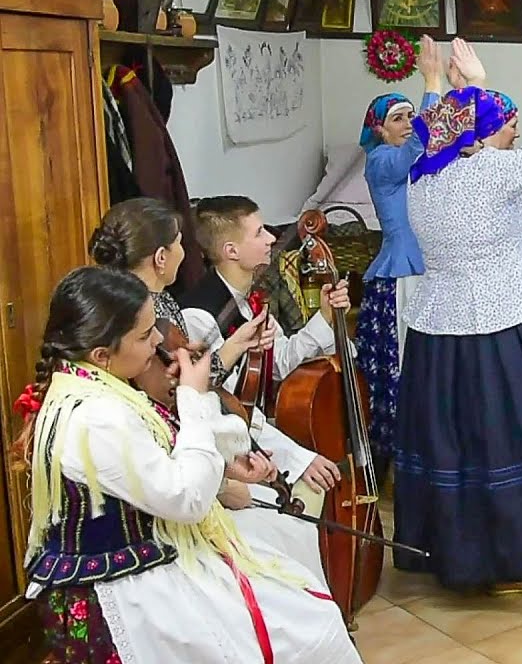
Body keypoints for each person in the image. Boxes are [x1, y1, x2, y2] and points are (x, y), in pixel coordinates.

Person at [14, 266, 360, 663]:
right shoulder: (93, 417)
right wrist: (193, 399)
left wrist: (225, 467)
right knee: (304, 627)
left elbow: (153, 465)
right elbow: (186, 498)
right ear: (102, 355)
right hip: (123, 587)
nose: (159, 340)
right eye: (145, 335)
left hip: (147, 556)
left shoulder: (96, 388)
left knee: (304, 607)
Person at [395, 21, 522, 593]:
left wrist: (437, 83)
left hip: (434, 327)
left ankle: (448, 555)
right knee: (502, 439)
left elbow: (435, 133)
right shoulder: (491, 172)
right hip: (494, 325)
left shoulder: (421, 178)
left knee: (447, 441)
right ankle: (509, 561)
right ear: (477, 134)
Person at [87, 198, 327, 581]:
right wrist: (225, 481)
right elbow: (175, 400)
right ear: (162, 257)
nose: (189, 251)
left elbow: (194, 382)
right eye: (181, 242)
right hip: (180, 482)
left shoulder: (158, 305)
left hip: (203, 452)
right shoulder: (142, 322)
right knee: (288, 529)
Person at [178, 196, 349, 570]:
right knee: (309, 492)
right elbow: (227, 409)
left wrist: (325, 317)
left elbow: (281, 363)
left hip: (255, 434)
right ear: (230, 250)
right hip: (229, 449)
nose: (271, 238)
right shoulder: (200, 316)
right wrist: (297, 457)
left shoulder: (252, 299)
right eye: (259, 232)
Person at [355, 35, 443, 478]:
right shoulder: (381, 161)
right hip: (399, 277)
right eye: (399, 117)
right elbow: (417, 146)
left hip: (425, 271)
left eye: (412, 115)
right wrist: (431, 84)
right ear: (380, 129)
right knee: (400, 368)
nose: (408, 123)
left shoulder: (410, 160)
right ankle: (396, 458)